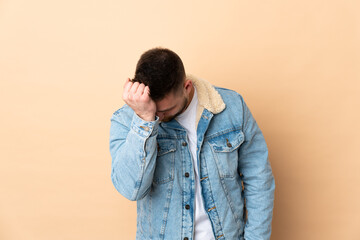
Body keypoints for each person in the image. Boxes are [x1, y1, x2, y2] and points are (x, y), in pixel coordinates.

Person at [109, 47, 275, 240]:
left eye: (166, 109)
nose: (159, 117)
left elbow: (259, 178)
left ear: (186, 87)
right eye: (154, 110)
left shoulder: (232, 108)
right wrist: (144, 120)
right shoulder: (126, 120)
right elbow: (131, 190)